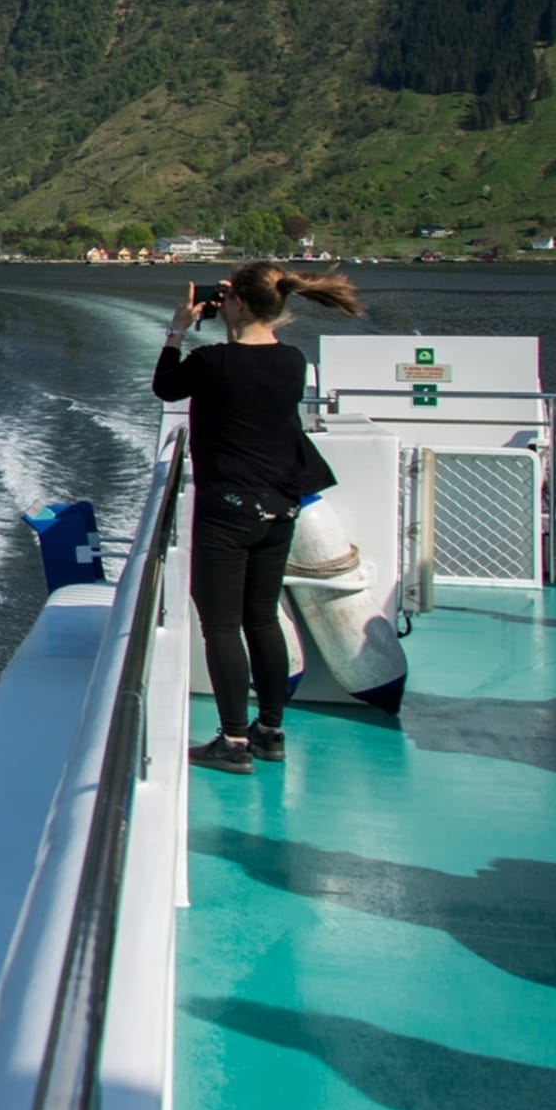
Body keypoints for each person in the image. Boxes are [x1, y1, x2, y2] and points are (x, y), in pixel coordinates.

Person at [155, 262, 366, 774]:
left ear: (240, 304)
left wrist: (180, 326)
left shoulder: (212, 362)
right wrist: (235, 313)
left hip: (227, 512)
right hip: (280, 509)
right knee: (262, 619)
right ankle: (269, 731)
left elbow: (165, 387)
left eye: (229, 298)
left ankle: (232, 741)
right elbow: (249, 360)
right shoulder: (292, 361)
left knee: (222, 626)